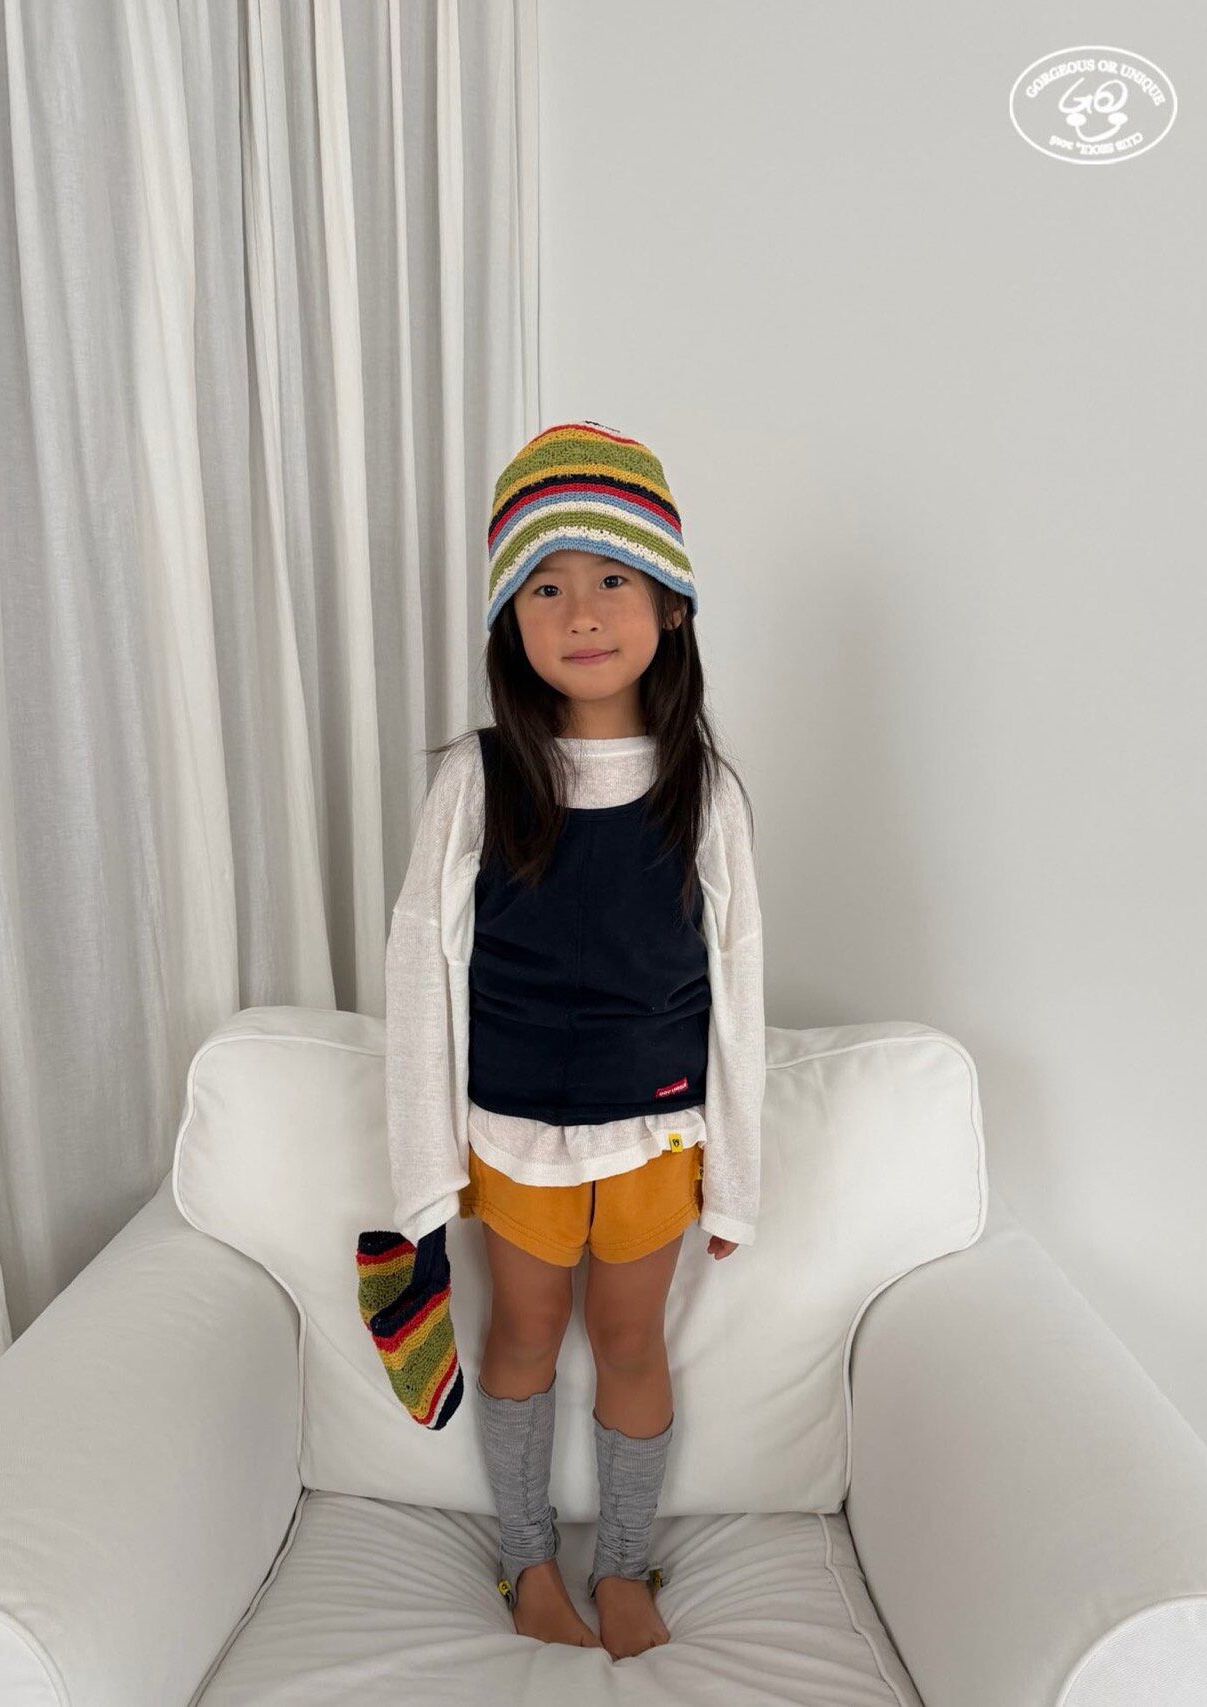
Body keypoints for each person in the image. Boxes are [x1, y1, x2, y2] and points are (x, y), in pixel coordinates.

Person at [384, 419, 765, 1660]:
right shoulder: (476, 778)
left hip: (655, 1134)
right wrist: (423, 1172)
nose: (582, 611)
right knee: (521, 1334)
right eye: (544, 585)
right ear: (510, 621)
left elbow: (737, 982)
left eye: (611, 577)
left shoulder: (703, 789)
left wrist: (736, 1176)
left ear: (670, 605)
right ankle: (524, 1560)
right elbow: (419, 968)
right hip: (511, 1136)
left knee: (629, 1342)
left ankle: (624, 1564)